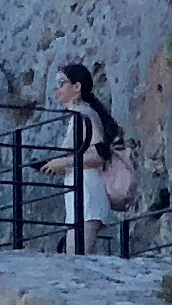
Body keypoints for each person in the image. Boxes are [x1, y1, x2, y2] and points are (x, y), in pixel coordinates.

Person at [43, 61, 132, 249]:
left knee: (77, 255)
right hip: (79, 190)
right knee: (74, 254)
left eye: (61, 83)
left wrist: (62, 163)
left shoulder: (84, 115)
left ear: (76, 87)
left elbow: (99, 154)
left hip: (87, 190)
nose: (57, 89)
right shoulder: (79, 115)